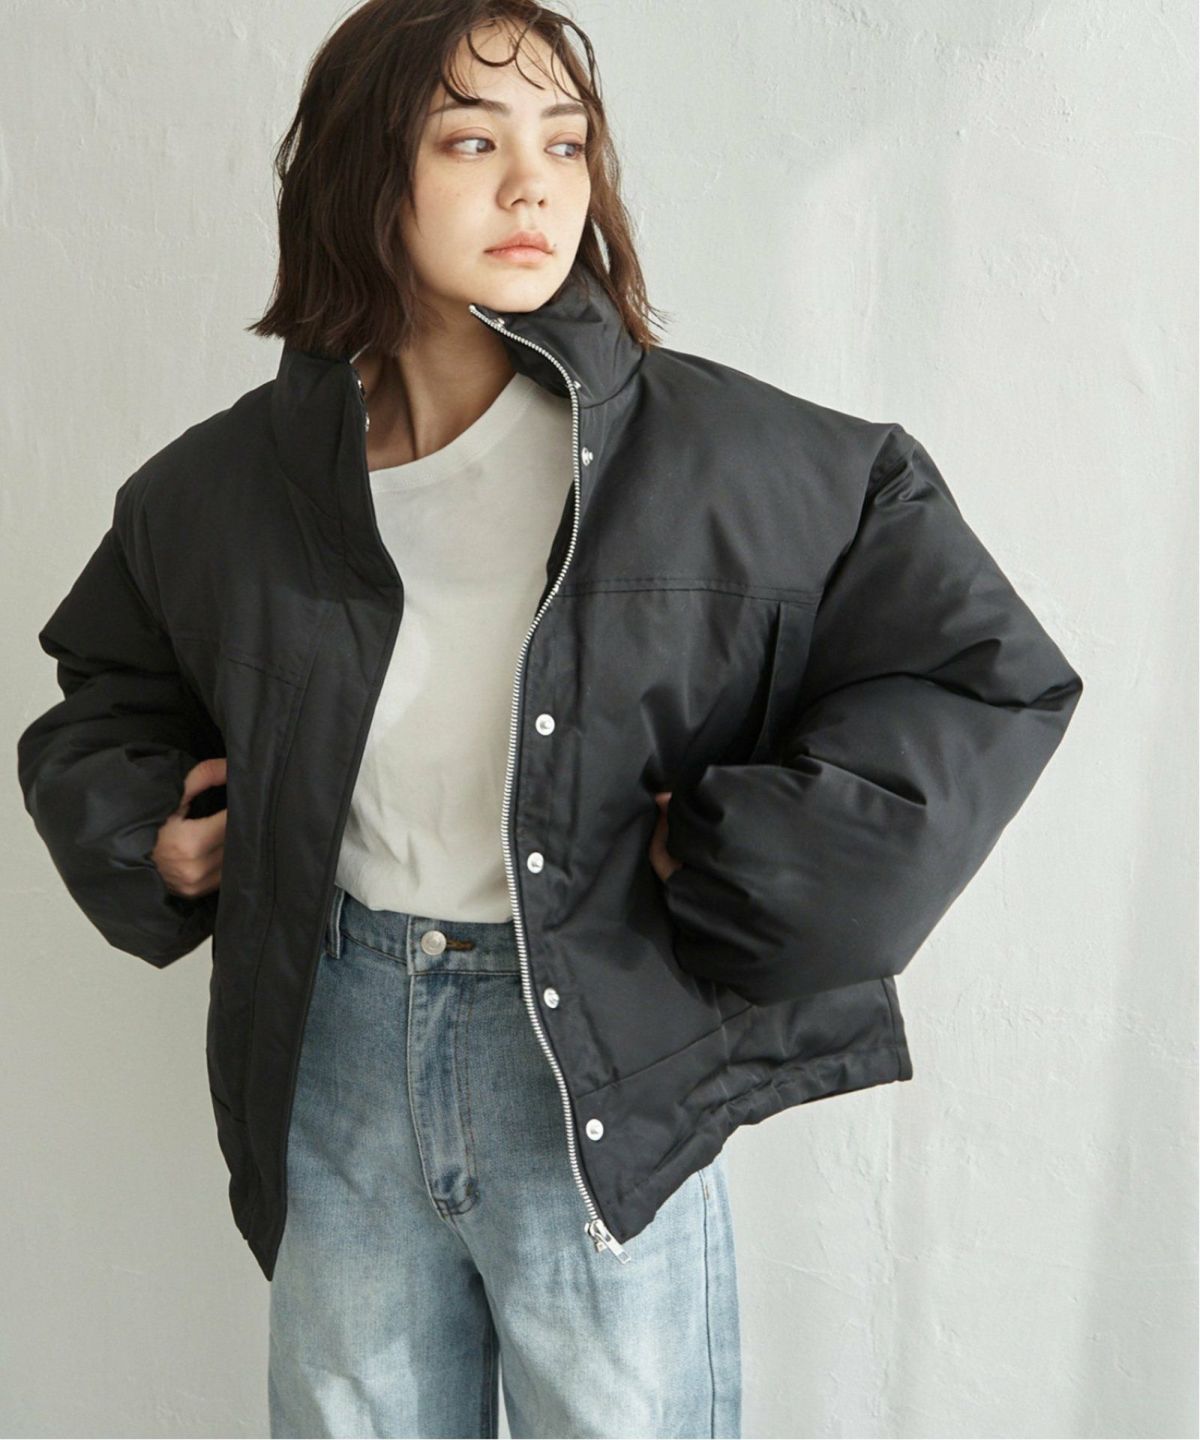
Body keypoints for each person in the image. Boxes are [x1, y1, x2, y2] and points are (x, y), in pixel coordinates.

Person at [15, 2, 1084, 1437]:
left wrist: (753, 856)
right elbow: (108, 691)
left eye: (566, 143)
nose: (533, 185)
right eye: (471, 141)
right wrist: (146, 831)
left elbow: (979, 674)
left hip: (594, 1058)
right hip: (334, 1050)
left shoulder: (744, 462)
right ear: (360, 173)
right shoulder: (221, 494)